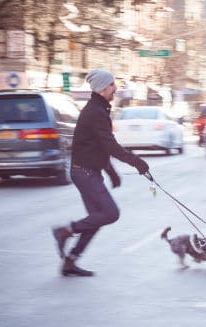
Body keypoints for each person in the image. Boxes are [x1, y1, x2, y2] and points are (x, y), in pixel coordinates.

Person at [52, 69, 150, 277]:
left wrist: (111, 171)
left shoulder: (98, 109)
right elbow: (110, 145)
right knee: (110, 213)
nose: (115, 88)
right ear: (103, 87)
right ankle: (66, 231)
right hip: (84, 172)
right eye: (112, 85)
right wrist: (137, 162)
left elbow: (98, 146)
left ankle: (70, 261)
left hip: (88, 172)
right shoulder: (95, 112)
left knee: (97, 218)